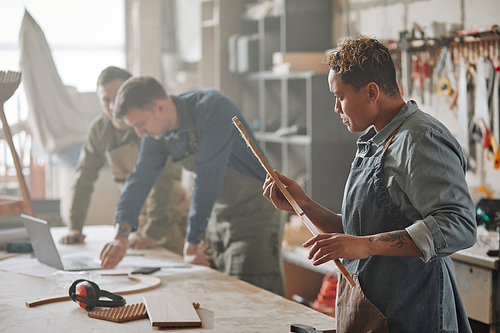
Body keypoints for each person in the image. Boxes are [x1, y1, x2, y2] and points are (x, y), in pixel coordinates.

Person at [263, 36, 476, 332]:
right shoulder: (376, 141)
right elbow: (357, 235)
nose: (337, 108)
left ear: (372, 92)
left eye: (340, 97)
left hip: (415, 314)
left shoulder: (419, 139)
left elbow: (459, 225)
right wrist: (304, 205)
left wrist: (365, 245)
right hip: (378, 309)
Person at [99, 77, 284, 296]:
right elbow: (139, 178)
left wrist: (192, 241)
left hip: (256, 212)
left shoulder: (213, 109)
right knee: (226, 291)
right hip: (218, 214)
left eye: (140, 124)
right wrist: (121, 237)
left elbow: (207, 178)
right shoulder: (157, 131)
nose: (139, 133)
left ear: (159, 107)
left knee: (254, 294)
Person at [59, 66, 190, 255]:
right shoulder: (99, 130)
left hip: (170, 216)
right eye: (106, 100)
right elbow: (83, 178)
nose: (112, 106)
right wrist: (75, 227)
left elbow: (162, 182)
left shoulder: (148, 126)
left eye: (118, 97)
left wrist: (152, 232)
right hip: (139, 222)